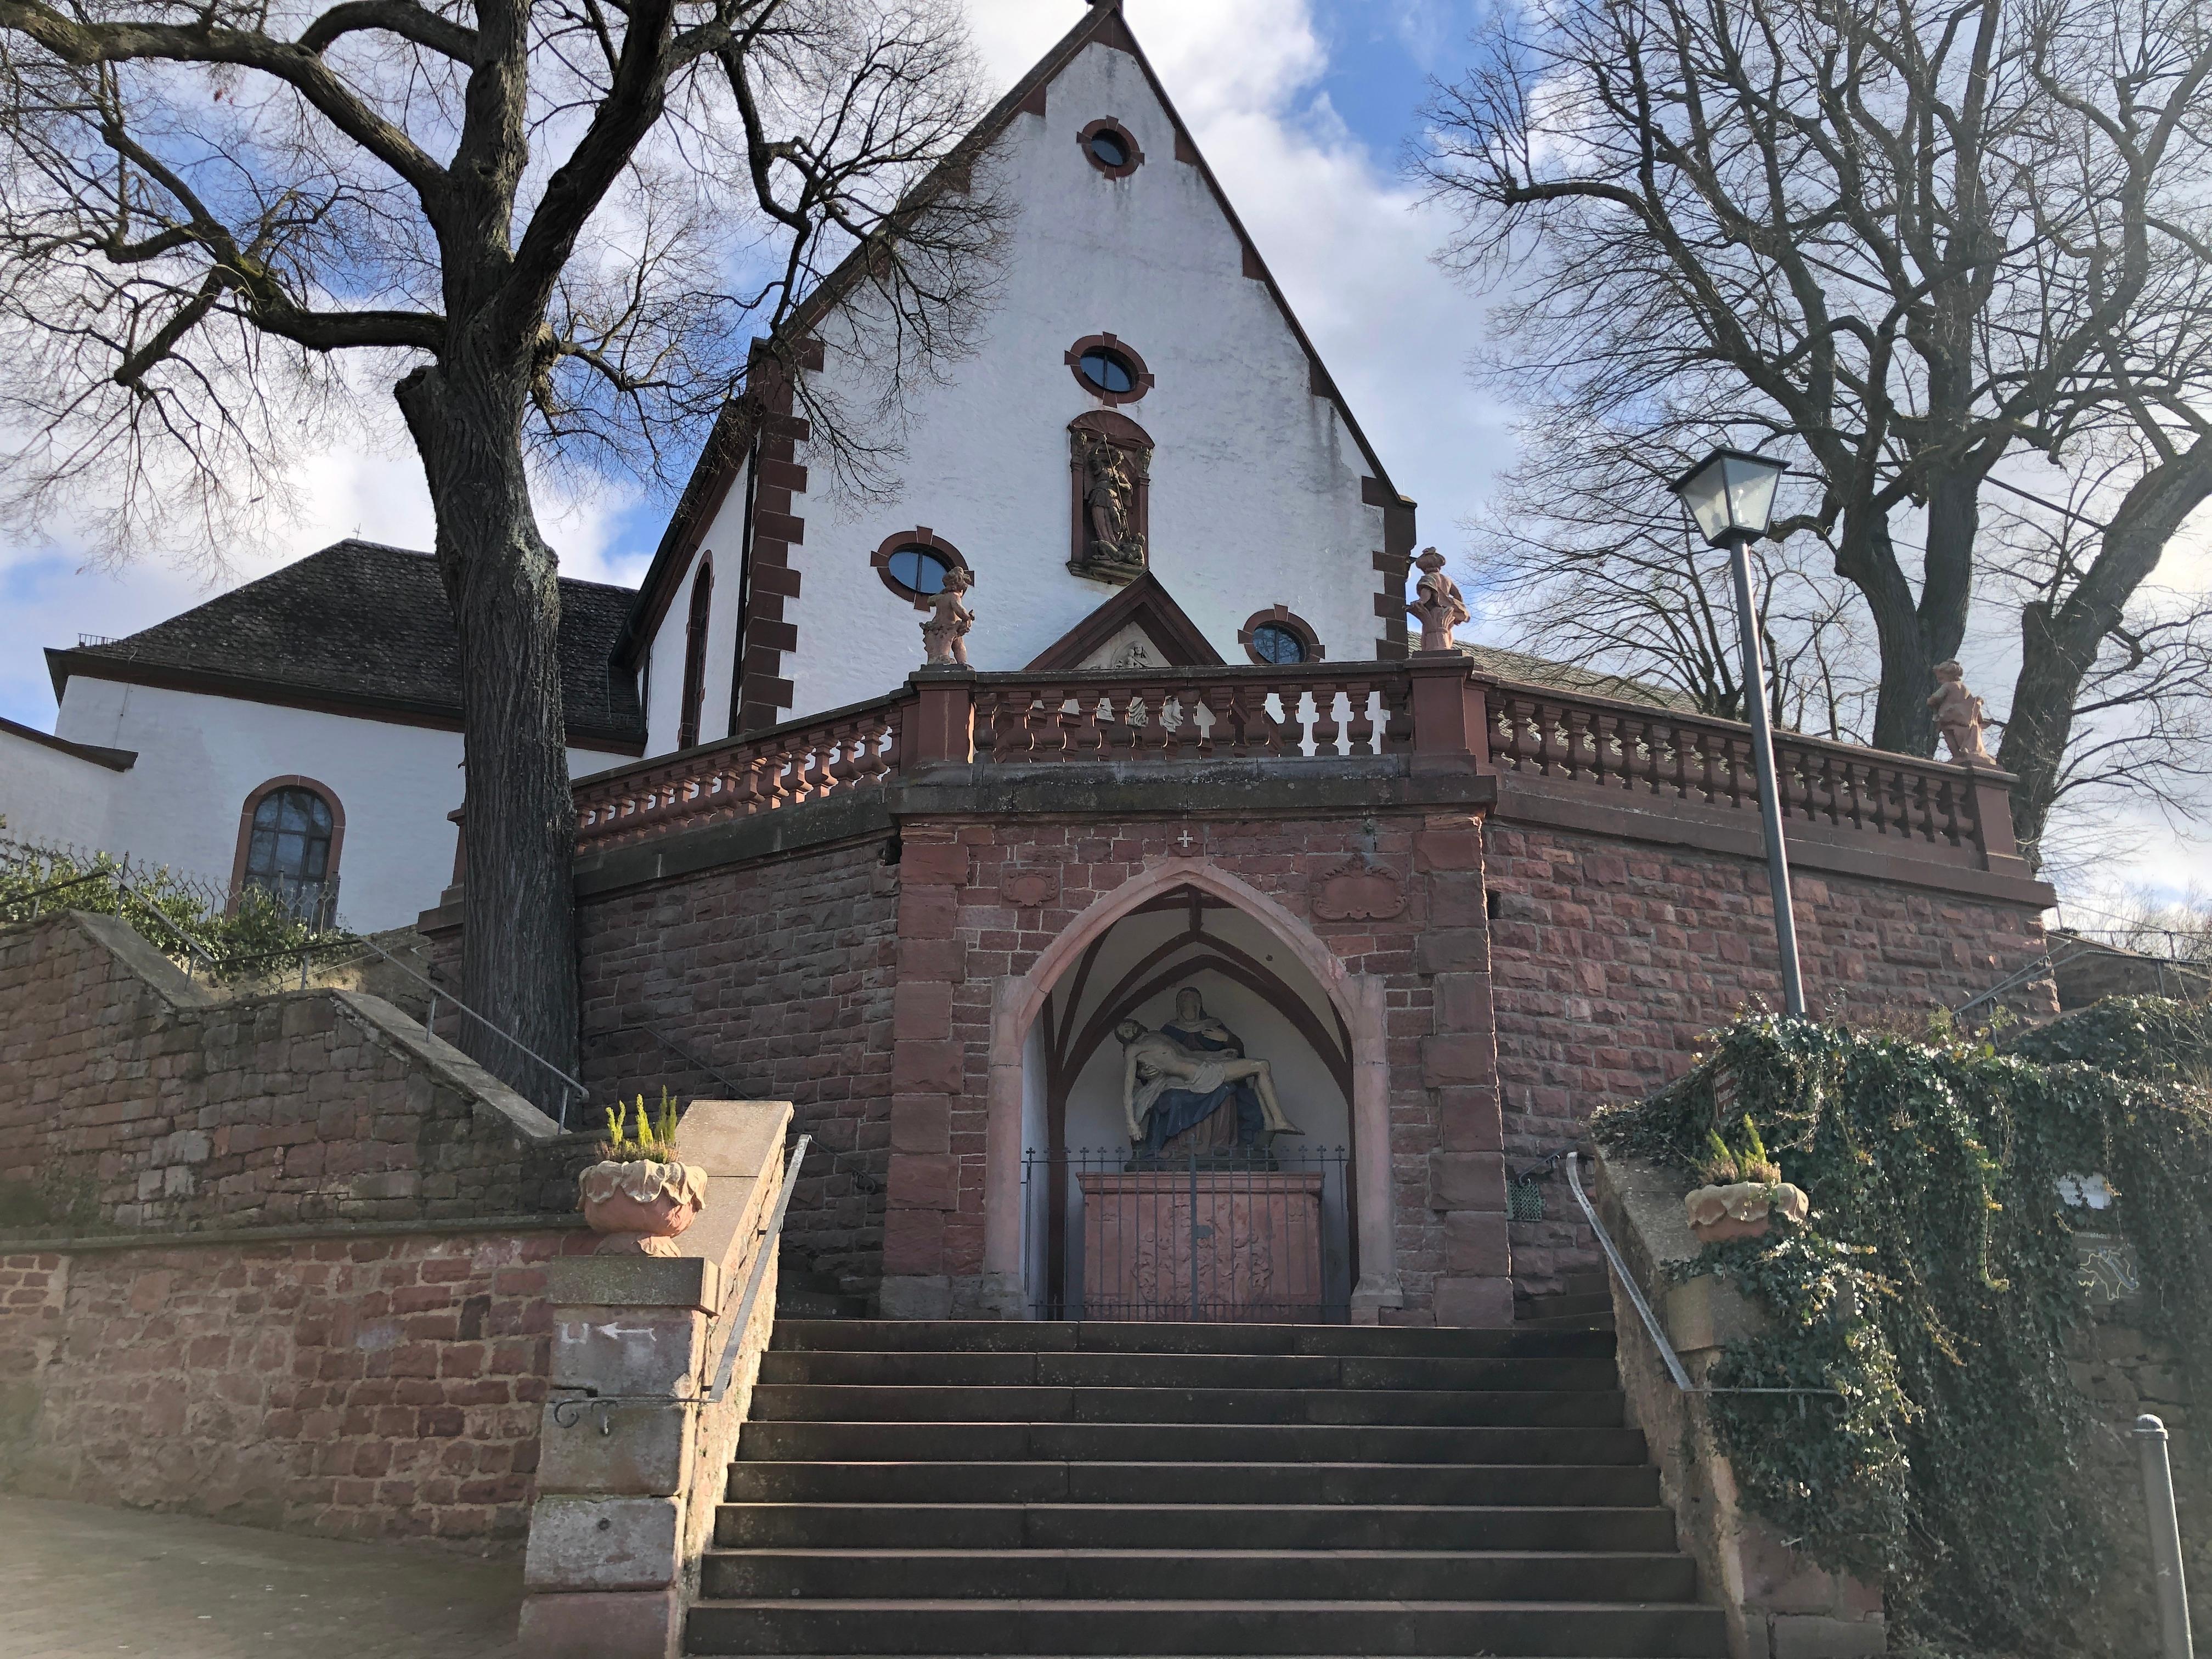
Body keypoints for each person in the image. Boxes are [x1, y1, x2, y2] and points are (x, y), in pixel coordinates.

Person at [1117, 1017, 1299, 1154]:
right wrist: (1131, 1123)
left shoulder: (1157, 1036)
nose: (1127, 1028)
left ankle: (1272, 1122)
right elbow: (1127, 1090)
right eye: (1123, 1032)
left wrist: (1219, 1055)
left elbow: (1189, 1054)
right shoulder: (1134, 1050)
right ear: (1125, 1040)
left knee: (1260, 1067)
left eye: (1127, 1024)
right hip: (1200, 1077)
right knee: (1261, 1066)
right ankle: (1277, 1121)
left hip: (1204, 1067)